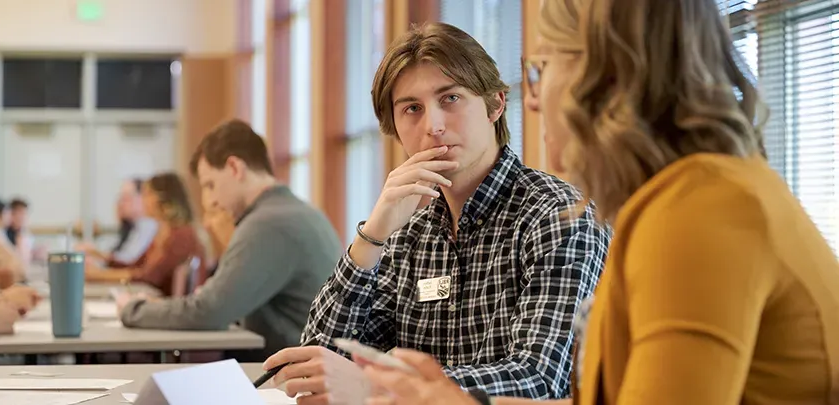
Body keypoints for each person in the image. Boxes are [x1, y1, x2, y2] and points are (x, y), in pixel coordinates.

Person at [357, 0, 839, 404]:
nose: (537, 100)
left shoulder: (698, 209)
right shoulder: (687, 197)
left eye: (542, 70)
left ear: (608, 78)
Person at [262, 22, 610, 402]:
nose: (434, 126)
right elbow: (320, 363)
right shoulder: (409, 234)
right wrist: (373, 234)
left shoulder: (560, 216)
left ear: (495, 104)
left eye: (450, 99)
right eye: (412, 109)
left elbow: (542, 379)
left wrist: (381, 388)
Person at [115, 119, 341, 362]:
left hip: (288, 378)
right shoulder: (296, 212)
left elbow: (208, 311)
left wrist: (133, 310)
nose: (209, 201)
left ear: (234, 168)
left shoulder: (266, 224)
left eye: (210, 184)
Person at [85, 173, 207, 296]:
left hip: (167, 307)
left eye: (147, 194)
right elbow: (136, 266)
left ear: (163, 198)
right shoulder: (163, 232)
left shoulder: (182, 235)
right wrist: (102, 258)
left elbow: (149, 277)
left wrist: (98, 275)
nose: (142, 199)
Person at [78, 179, 158, 268]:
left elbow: (128, 261)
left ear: (142, 198)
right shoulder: (132, 227)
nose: (121, 203)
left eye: (127, 197)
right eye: (121, 198)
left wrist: (96, 255)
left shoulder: (148, 225)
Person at [0, 199, 24, 286]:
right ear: (0, 215)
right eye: (8, 213)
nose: (10, 217)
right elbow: (12, 260)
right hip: (9, 281)